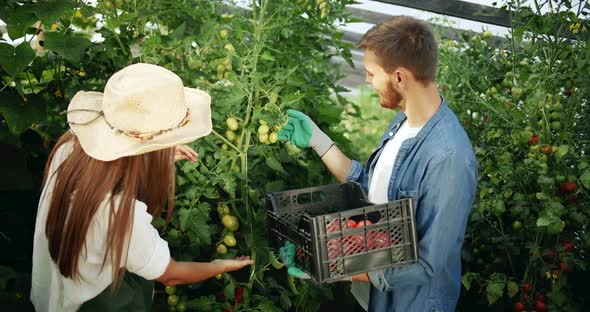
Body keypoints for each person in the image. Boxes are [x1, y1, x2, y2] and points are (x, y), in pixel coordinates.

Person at [278, 16, 478, 312]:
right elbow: (372, 189)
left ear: (399, 78)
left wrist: (326, 263)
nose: (367, 80)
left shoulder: (448, 160)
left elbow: (424, 264)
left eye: (371, 73)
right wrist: (320, 141)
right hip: (374, 299)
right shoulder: (404, 123)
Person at [30, 63, 253, 312]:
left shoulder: (69, 149)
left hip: (59, 286)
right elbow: (171, 274)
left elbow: (113, 165)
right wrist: (218, 266)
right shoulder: (121, 214)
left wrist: (155, 158)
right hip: (93, 302)